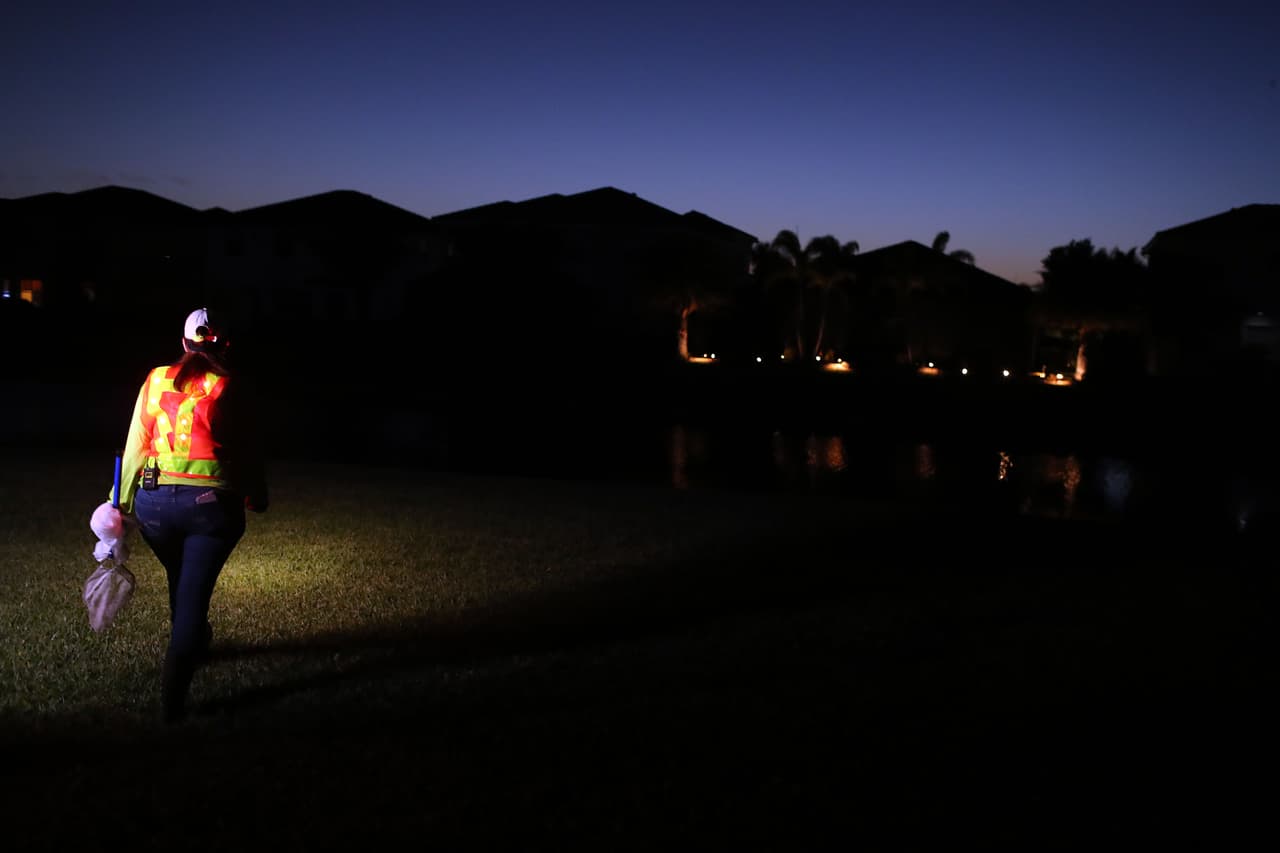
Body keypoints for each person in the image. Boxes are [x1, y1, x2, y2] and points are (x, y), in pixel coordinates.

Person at [112, 307, 268, 722]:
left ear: (183, 343)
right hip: (211, 511)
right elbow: (248, 449)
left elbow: (136, 444)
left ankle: (194, 635)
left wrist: (119, 503)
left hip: (154, 507)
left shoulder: (155, 378)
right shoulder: (230, 386)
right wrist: (256, 494)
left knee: (181, 577)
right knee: (191, 599)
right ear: (225, 345)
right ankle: (173, 704)